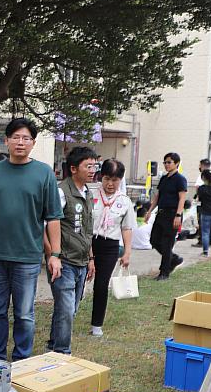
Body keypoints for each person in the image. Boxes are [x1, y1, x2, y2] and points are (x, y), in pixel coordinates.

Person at [0, 117, 63, 361]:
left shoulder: (44, 174)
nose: (20, 143)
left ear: (33, 143)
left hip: (27, 256)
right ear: (6, 141)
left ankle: (22, 360)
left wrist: (55, 254)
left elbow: (53, 218)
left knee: (24, 314)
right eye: (16, 137)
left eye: (26, 138)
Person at [45, 146, 96, 354]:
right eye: (88, 166)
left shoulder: (88, 193)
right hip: (63, 261)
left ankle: (52, 343)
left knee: (70, 309)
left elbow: (87, 229)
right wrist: (51, 255)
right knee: (66, 309)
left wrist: (91, 258)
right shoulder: (60, 192)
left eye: (95, 165)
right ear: (73, 168)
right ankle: (62, 352)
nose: (93, 170)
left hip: (82, 261)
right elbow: (46, 225)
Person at [90, 159, 136, 337]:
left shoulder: (124, 201)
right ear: (101, 176)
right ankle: (70, 313)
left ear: (121, 180)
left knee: (101, 285)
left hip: (109, 245)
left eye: (115, 180)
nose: (110, 184)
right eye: (107, 179)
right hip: (89, 242)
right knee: (78, 283)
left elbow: (127, 227)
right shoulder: (91, 193)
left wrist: (127, 252)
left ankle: (97, 324)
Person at [144, 153, 187, 280]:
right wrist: (150, 210)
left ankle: (164, 272)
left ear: (177, 163)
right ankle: (174, 259)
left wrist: (178, 215)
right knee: (154, 240)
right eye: (165, 162)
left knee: (167, 243)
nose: (167, 165)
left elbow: (182, 198)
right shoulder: (164, 178)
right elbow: (158, 196)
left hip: (173, 213)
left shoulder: (180, 179)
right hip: (161, 213)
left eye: (169, 162)